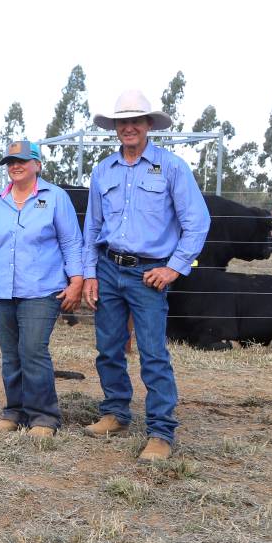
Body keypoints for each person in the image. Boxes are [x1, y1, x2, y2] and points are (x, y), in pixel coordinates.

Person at [81, 89, 210, 463]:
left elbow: (197, 222)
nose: (129, 128)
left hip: (148, 272)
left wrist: (173, 267)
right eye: (123, 122)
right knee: (108, 347)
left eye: (136, 121)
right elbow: (92, 226)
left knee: (153, 352)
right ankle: (116, 413)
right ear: (115, 127)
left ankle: (160, 432)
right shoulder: (103, 170)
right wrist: (90, 273)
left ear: (149, 125)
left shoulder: (171, 167)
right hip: (107, 267)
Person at [0, 140, 83, 438]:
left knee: (33, 350)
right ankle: (14, 410)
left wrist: (76, 281)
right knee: (11, 354)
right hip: (0, 290)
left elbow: (71, 242)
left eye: (21, 160)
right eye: (10, 162)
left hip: (41, 289)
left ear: (37, 165)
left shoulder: (56, 198)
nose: (15, 166)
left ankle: (44, 416)